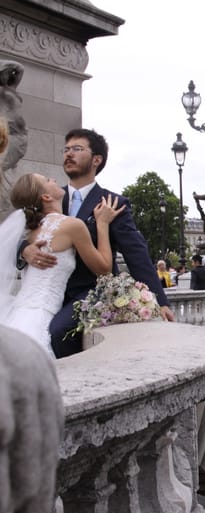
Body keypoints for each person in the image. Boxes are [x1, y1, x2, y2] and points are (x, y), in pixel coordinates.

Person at [21, 128, 174, 358]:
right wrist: (24, 251)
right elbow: (26, 231)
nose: (68, 154)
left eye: (77, 149)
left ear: (96, 160)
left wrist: (160, 301)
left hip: (91, 292)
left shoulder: (112, 203)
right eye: (66, 149)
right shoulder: (51, 197)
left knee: (58, 333)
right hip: (51, 293)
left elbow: (136, 253)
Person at [0, 173, 124, 356]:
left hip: (18, 313)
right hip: (42, 317)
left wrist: (24, 248)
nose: (53, 180)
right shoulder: (72, 225)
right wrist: (103, 224)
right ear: (46, 196)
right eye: (47, 180)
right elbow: (104, 269)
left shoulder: (28, 230)